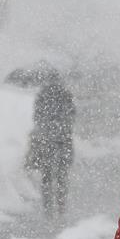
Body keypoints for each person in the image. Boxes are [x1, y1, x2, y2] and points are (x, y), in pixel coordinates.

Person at [24, 73, 76, 215]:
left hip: (46, 140)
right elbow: (72, 115)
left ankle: (47, 207)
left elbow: (37, 117)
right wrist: (63, 127)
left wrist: (46, 129)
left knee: (46, 175)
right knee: (61, 175)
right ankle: (61, 205)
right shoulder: (65, 94)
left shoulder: (42, 95)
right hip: (63, 139)